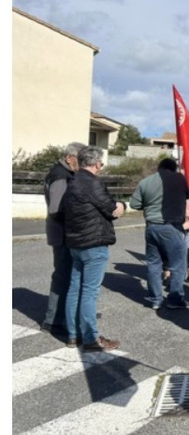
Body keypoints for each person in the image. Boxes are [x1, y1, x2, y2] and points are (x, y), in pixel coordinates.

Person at [63, 146, 125, 351]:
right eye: (101, 164)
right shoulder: (93, 183)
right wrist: (122, 205)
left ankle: (73, 334)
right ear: (97, 163)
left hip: (75, 242)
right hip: (94, 243)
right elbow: (111, 209)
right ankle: (90, 338)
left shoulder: (71, 181)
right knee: (89, 291)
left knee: (75, 288)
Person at [129, 158, 189, 311]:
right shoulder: (180, 179)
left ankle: (155, 299)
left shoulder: (146, 182)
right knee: (178, 265)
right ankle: (175, 298)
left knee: (154, 264)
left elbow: (134, 204)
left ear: (159, 167)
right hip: (172, 226)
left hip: (151, 227)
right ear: (174, 168)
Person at [41, 141, 85, 334]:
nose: (83, 164)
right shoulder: (60, 176)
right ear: (69, 158)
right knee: (62, 276)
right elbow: (56, 209)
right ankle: (53, 321)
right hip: (62, 233)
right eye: (80, 160)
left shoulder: (67, 174)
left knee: (68, 275)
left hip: (63, 232)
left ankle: (70, 315)